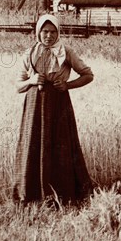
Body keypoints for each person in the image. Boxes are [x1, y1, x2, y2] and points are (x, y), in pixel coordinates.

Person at [13, 14, 94, 206]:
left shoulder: (66, 52)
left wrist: (68, 85)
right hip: (34, 104)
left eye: (53, 32)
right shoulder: (30, 53)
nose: (48, 36)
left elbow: (88, 75)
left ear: (58, 33)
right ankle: (32, 194)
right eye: (45, 32)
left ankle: (62, 194)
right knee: (33, 144)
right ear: (38, 32)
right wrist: (31, 80)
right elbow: (17, 85)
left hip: (59, 103)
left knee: (60, 145)